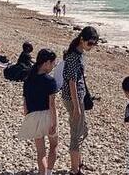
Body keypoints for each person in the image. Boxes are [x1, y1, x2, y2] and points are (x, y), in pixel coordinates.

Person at [62, 26, 100, 175]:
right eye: (90, 43)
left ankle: (78, 163)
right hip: (74, 99)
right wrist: (77, 106)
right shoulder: (73, 56)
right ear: (82, 39)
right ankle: (74, 169)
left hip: (78, 97)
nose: (92, 47)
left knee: (83, 130)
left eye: (94, 44)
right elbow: (71, 81)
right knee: (76, 133)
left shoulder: (79, 53)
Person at [19, 49, 60, 175]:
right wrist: (55, 123)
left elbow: (25, 102)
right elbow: (52, 105)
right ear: (47, 62)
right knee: (53, 146)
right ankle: (49, 172)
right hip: (47, 116)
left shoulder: (28, 79)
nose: (53, 66)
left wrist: (28, 117)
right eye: (53, 63)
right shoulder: (50, 80)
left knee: (40, 152)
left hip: (33, 116)